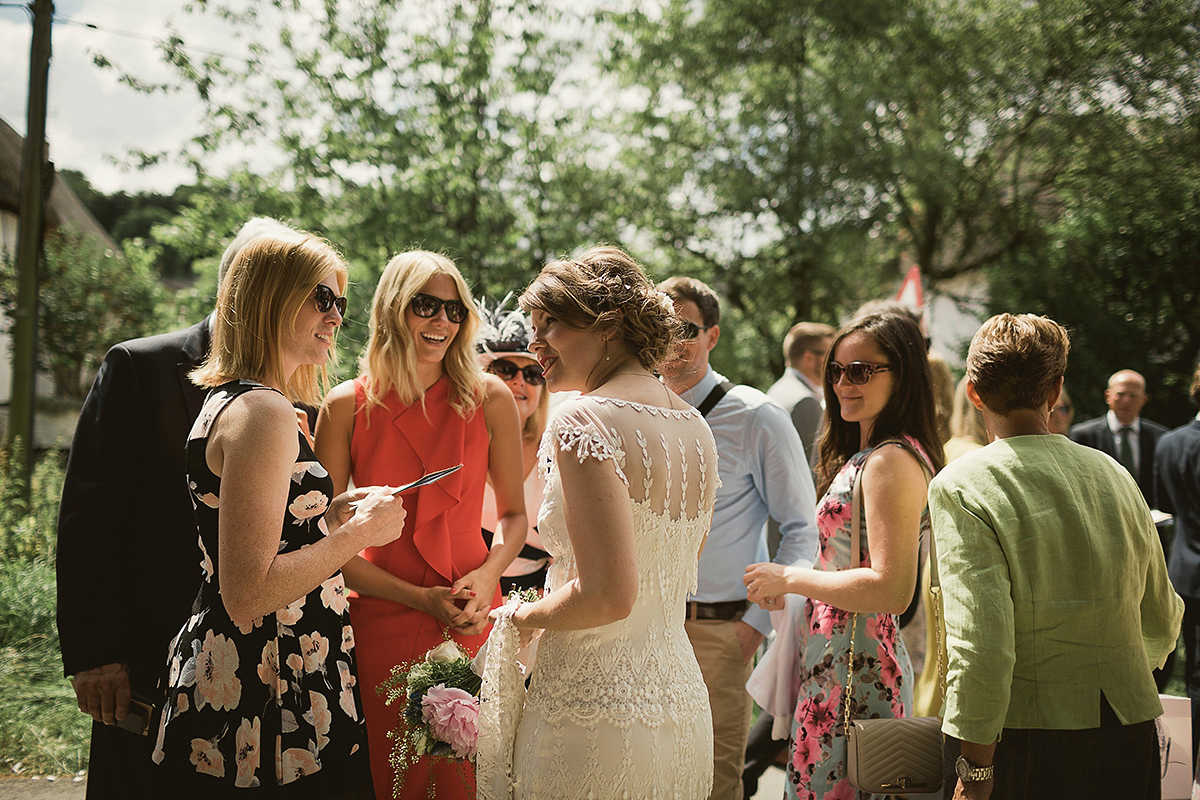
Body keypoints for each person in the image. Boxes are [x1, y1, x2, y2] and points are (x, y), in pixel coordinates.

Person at [150, 231, 409, 796]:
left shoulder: (240, 399)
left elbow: (255, 535)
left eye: (341, 303)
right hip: (268, 686)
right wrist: (362, 534)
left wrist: (327, 516)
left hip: (258, 672)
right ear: (270, 297)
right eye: (323, 298)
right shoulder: (265, 411)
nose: (336, 316)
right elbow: (247, 590)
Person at [56, 216, 297, 798]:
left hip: (257, 664)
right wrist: (96, 654)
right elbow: (89, 518)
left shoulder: (293, 382)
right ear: (242, 285)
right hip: (147, 658)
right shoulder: (141, 366)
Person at [477, 246, 720, 799]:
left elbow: (608, 595)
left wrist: (517, 616)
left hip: (588, 713)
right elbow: (678, 566)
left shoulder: (581, 420)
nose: (534, 342)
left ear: (607, 325)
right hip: (678, 705)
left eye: (551, 325)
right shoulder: (694, 426)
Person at [929, 313, 1182, 800]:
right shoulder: (1115, 473)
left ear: (974, 392)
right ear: (1055, 390)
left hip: (1022, 741)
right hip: (1127, 730)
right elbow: (1163, 615)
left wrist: (975, 768)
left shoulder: (962, 484)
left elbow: (981, 644)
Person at [313, 250, 527, 800]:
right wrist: (418, 598)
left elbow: (511, 516)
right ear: (391, 310)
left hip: (472, 608)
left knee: (473, 778)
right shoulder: (344, 407)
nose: (442, 323)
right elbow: (329, 546)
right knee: (395, 778)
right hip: (381, 614)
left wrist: (487, 575)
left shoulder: (492, 397)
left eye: (454, 310)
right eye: (425, 306)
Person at [743, 309, 943, 800]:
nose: (842, 383)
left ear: (903, 375)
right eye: (836, 370)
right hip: (838, 665)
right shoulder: (873, 454)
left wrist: (790, 579)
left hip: (856, 674)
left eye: (861, 370)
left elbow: (891, 588)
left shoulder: (890, 460)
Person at [657, 276, 819, 800]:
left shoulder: (755, 416)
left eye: (685, 328)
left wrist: (752, 627)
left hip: (718, 633)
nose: (670, 340)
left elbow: (801, 531)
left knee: (712, 782)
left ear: (713, 336)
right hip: (641, 627)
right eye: (659, 326)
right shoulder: (637, 412)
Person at [477, 296, 553, 594]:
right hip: (457, 593)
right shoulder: (459, 444)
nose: (520, 381)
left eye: (534, 374)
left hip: (531, 602)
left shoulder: (559, 450)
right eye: (507, 370)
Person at [1156, 362, 1200, 765]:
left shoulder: (1170, 443)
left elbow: (1166, 507)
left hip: (1184, 568)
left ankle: (1182, 764)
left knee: (1181, 667)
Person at [1069, 369, 1168, 501]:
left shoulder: (1160, 437)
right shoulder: (1083, 435)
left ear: (1144, 399)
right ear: (1107, 396)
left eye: (1133, 396)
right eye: (1120, 394)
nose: (1126, 400)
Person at [767, 321, 834, 466]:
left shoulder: (776, 390)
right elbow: (813, 468)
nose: (835, 362)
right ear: (809, 358)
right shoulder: (805, 402)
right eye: (830, 355)